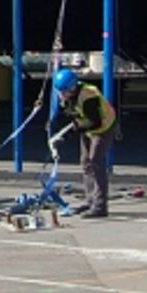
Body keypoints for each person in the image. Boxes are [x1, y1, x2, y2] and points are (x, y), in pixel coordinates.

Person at [55, 68, 117, 218]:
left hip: (103, 128)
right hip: (87, 129)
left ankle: (100, 206)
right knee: (86, 163)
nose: (62, 95)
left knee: (96, 162)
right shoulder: (68, 96)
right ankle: (90, 200)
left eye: (64, 91)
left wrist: (72, 130)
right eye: (60, 92)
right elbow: (74, 116)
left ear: (72, 87)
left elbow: (95, 122)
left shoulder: (88, 96)